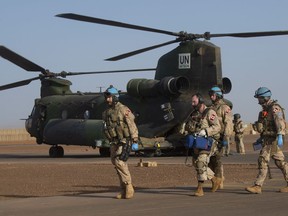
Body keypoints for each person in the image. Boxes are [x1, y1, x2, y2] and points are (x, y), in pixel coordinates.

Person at [245, 87, 288, 194]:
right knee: (280, 162)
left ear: (264, 97)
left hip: (272, 140)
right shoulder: (265, 110)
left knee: (263, 160)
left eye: (259, 98)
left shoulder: (274, 108)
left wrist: (280, 135)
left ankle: (258, 185)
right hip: (267, 139)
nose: (258, 100)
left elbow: (280, 122)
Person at [102, 85, 139, 199]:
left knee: (120, 162)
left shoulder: (123, 109)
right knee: (116, 163)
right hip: (114, 141)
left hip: (124, 140)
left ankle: (129, 187)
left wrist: (135, 139)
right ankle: (123, 189)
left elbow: (131, 124)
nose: (107, 99)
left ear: (115, 97)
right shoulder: (106, 112)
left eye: (109, 97)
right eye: (106, 97)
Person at [185, 93, 222, 196]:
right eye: (192, 102)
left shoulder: (210, 112)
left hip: (208, 142)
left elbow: (217, 127)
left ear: (200, 101)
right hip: (197, 143)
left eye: (194, 102)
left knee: (201, 162)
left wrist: (206, 131)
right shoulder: (194, 114)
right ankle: (214, 179)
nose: (192, 104)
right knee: (196, 163)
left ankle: (200, 189)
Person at [208, 86, 233, 189]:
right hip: (211, 137)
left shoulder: (225, 108)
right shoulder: (211, 108)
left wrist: (226, 139)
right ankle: (217, 180)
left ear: (217, 95)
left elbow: (228, 124)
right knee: (211, 160)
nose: (211, 97)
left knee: (217, 160)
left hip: (220, 138)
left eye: (213, 95)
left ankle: (220, 181)